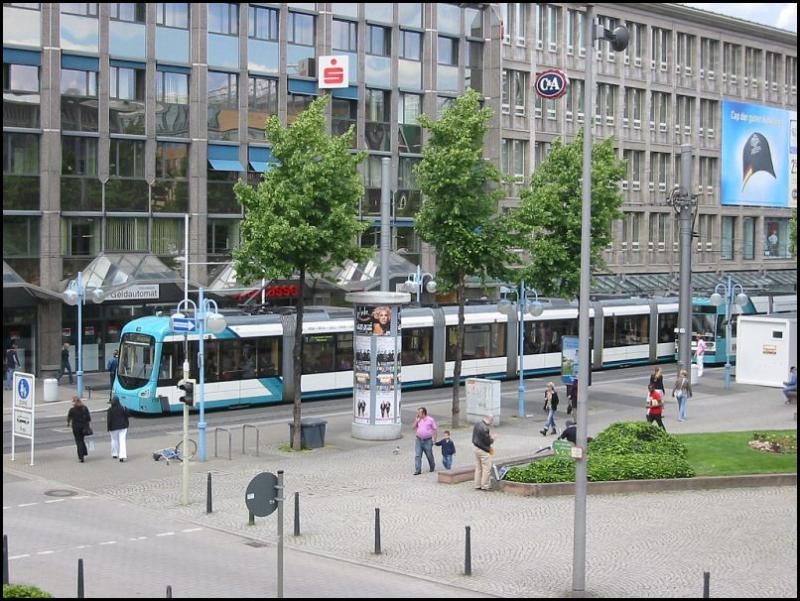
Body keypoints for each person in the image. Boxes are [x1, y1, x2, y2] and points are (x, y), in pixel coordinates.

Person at [472, 415, 496, 491]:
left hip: (476, 448)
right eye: (492, 420)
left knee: (478, 468)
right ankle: (485, 485)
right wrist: (493, 438)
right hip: (483, 450)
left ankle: (477, 484)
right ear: (490, 419)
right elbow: (487, 442)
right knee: (486, 468)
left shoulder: (477, 424)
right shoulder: (485, 428)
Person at [412, 407, 437, 474]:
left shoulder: (430, 420)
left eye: (419, 413)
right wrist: (416, 421)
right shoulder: (418, 420)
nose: (417, 414)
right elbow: (413, 427)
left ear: (423, 413)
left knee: (429, 455)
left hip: (428, 441)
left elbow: (434, 430)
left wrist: (434, 440)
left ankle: (432, 466)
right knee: (418, 455)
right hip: (419, 440)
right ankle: (418, 470)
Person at [67, 396, 92, 462]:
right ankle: (84, 452)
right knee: (81, 440)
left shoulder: (72, 410)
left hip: (76, 427)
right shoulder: (85, 408)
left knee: (78, 441)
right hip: (84, 427)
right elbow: (89, 418)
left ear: (74, 402)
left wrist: (68, 423)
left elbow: (69, 418)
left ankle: (81, 456)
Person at [107, 395, 130, 462]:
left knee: (114, 440)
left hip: (113, 427)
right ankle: (122, 456)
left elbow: (109, 420)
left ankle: (114, 454)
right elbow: (128, 415)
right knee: (122, 441)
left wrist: (108, 428)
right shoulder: (122, 408)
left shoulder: (110, 410)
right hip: (123, 427)